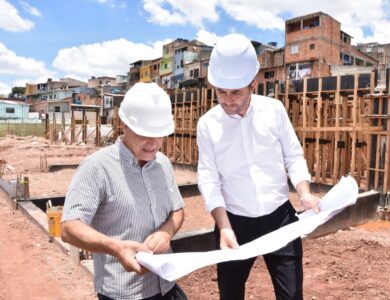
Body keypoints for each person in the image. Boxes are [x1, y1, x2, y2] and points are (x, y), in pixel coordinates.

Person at [197, 33, 321, 300]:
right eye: (221, 92)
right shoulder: (207, 125)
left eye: (236, 92)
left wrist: (305, 193)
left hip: (280, 219)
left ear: (253, 83)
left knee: (291, 296)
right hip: (233, 224)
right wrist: (224, 226)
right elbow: (208, 179)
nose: (228, 100)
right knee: (230, 295)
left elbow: (293, 156)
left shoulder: (274, 110)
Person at [61, 82, 187, 300]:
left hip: (166, 285)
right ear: (125, 125)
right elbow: (69, 227)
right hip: (124, 293)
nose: (154, 144)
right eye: (145, 134)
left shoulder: (163, 164)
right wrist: (115, 247)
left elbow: (178, 211)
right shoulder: (97, 167)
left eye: (160, 135)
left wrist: (166, 232)